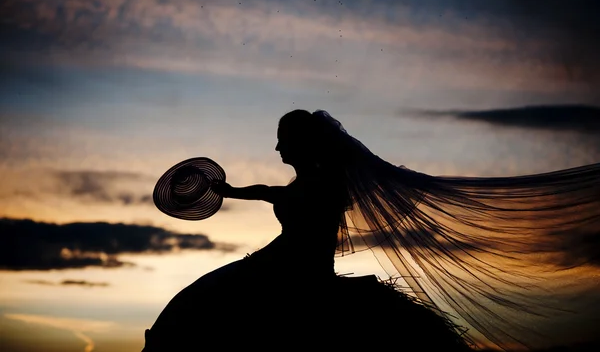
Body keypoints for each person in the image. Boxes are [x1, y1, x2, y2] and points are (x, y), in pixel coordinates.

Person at [144, 109, 600, 351]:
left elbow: (283, 200)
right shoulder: (303, 184)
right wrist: (230, 190)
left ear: (301, 144)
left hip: (299, 276)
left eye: (283, 138)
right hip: (278, 264)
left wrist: (241, 192)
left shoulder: (326, 185)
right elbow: (269, 192)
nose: (277, 145)